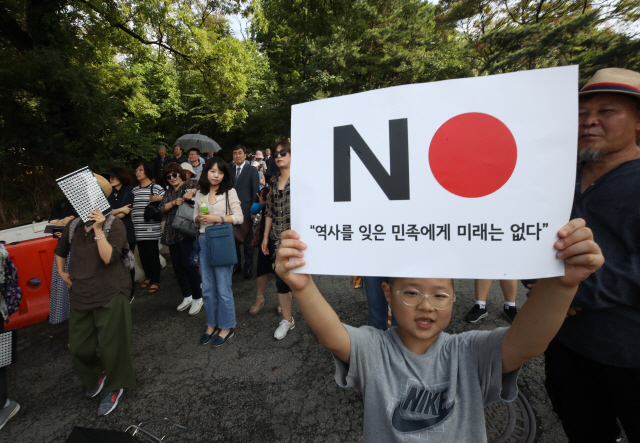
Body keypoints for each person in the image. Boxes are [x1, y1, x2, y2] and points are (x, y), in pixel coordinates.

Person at [274, 218, 603, 441]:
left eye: (440, 295)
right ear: (388, 294)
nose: (426, 306)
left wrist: (562, 284)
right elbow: (333, 335)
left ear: (454, 298)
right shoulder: (374, 348)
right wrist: (303, 288)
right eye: (411, 293)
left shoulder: (471, 352)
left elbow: (528, 343)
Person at [543, 67, 640, 443]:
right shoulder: (554, 177)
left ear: (637, 121)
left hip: (630, 350)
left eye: (608, 110)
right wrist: (542, 285)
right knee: (582, 429)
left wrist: (572, 292)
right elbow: (526, 239)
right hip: (565, 344)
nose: (590, 121)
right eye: (582, 113)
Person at [54, 174, 136, 417]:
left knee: (113, 347)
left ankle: (115, 385)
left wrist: (99, 229)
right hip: (81, 293)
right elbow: (61, 250)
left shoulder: (114, 224)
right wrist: (60, 270)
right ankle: (97, 375)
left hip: (111, 292)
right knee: (79, 348)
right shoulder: (74, 225)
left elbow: (109, 258)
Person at [193, 158, 244, 347]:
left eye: (220, 172)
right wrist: (199, 218)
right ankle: (211, 324)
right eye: (213, 171)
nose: (216, 175)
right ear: (206, 172)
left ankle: (227, 326)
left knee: (223, 287)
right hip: (204, 241)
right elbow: (194, 218)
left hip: (221, 241)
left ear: (224, 175)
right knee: (206, 287)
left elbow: (239, 217)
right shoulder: (200, 193)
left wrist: (218, 217)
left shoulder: (229, 192)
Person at [159, 163, 202, 314]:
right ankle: (187, 295)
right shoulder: (169, 192)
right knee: (177, 267)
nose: (172, 178)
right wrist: (173, 202)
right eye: (168, 176)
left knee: (188, 265)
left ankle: (198, 297)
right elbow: (160, 209)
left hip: (187, 230)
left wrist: (192, 192)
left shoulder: (190, 184)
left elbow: (203, 185)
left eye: (174, 174)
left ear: (181, 174)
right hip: (171, 232)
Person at [261, 141, 294, 339]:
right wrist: (265, 237)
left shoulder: (302, 179)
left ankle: (316, 319)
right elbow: (270, 211)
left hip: (298, 239)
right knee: (281, 281)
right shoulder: (272, 181)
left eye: (283, 152)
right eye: (276, 154)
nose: (279, 156)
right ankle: (287, 320)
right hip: (277, 238)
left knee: (302, 280)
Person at [131, 161, 165, 294]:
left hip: (151, 227)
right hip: (137, 228)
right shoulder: (134, 190)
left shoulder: (155, 188)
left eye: (140, 169)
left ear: (147, 172)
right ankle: (148, 276)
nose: (137, 172)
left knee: (152, 254)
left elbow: (168, 199)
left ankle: (156, 280)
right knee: (143, 255)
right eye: (136, 170)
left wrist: (159, 198)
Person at [105, 167, 136, 297]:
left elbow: (124, 214)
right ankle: (117, 291)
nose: (111, 179)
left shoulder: (128, 194)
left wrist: (113, 212)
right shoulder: (106, 194)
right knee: (114, 262)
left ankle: (130, 292)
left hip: (127, 231)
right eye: (110, 177)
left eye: (114, 177)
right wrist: (118, 210)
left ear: (121, 178)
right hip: (110, 232)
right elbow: (104, 214)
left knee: (128, 261)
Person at [231, 145, 260, 279]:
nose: (237, 156)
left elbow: (255, 191)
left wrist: (254, 210)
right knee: (234, 239)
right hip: (231, 211)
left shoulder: (252, 170)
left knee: (248, 241)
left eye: (240, 153)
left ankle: (248, 268)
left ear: (245, 155)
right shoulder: (230, 170)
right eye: (235, 153)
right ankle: (236, 265)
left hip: (247, 210)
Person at [48, 197, 78, 325]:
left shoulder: (89, 200)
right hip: (65, 250)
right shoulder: (61, 202)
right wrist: (62, 221)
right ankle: (77, 325)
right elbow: (51, 225)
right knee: (67, 290)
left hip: (87, 248)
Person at [249, 187, 272, 315]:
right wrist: (263, 203)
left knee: (283, 268)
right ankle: (259, 298)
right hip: (266, 234)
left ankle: (283, 301)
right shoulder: (266, 189)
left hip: (284, 231)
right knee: (263, 266)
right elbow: (252, 210)